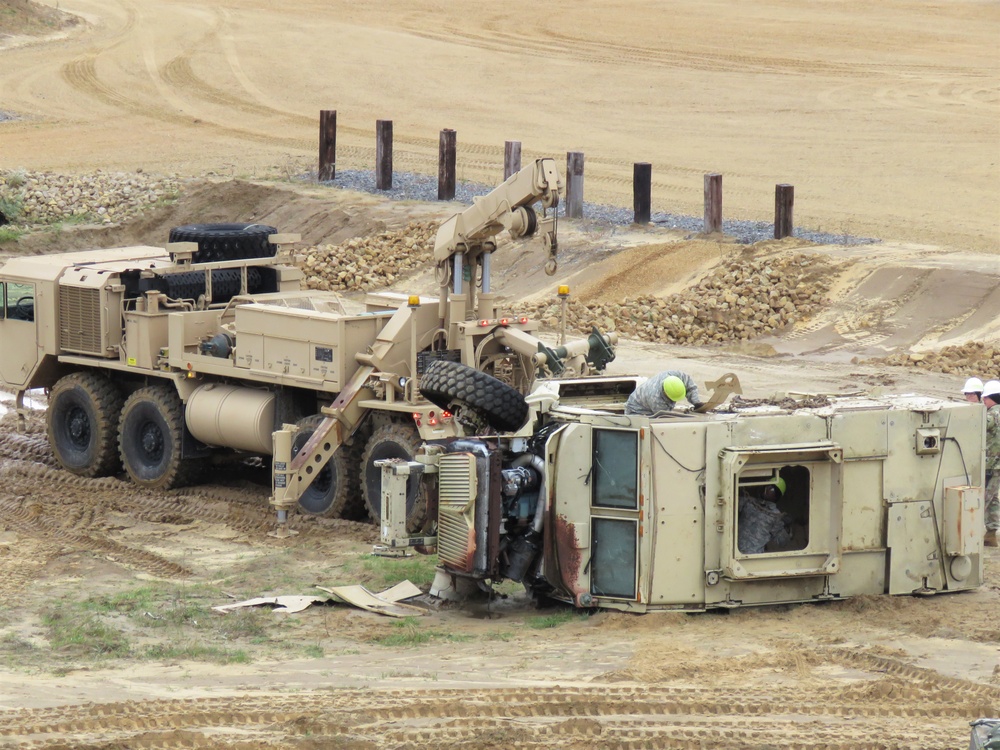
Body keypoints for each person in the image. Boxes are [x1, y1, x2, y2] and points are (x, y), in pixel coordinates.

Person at [738, 477, 792, 554]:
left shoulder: (776, 516)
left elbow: (783, 542)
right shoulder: (749, 502)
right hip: (734, 553)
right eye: (766, 487)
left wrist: (786, 527)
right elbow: (729, 505)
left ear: (777, 495)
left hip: (754, 558)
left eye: (771, 490)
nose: (767, 491)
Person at [625, 370, 703, 416]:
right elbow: (665, 418)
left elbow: (690, 385)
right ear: (665, 394)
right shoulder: (656, 399)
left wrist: (696, 402)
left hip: (646, 400)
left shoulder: (674, 375)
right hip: (636, 410)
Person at [982, 380, 1000, 547]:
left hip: (991, 464)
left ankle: (971, 534)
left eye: (984, 398)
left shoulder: (991, 415)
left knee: (982, 500)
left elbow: (976, 427)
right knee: (993, 499)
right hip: (997, 465)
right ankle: (991, 534)